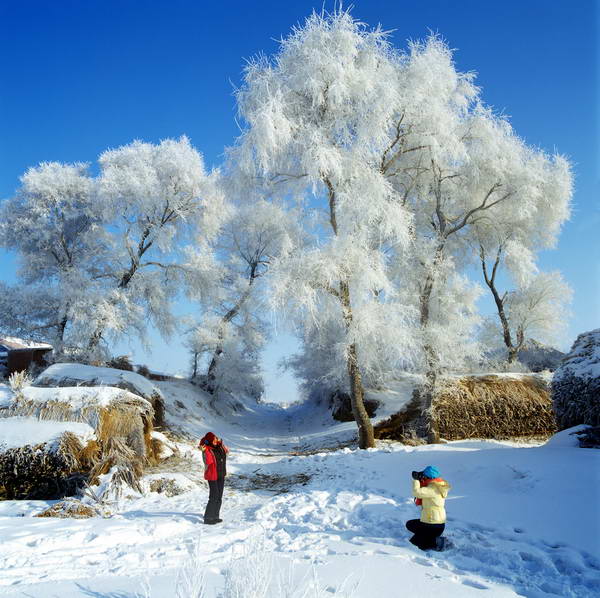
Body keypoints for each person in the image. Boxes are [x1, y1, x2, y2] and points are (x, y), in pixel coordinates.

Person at [406, 465, 451, 551]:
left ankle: (436, 542)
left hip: (432, 526)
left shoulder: (433, 489)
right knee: (410, 524)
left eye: (424, 476)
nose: (423, 478)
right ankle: (429, 538)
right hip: (433, 524)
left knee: (415, 545)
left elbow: (417, 492)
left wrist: (416, 480)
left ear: (429, 478)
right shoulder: (436, 485)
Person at [198, 431, 229, 525]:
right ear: (210, 440)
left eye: (216, 438)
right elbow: (208, 462)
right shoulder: (207, 450)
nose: (216, 440)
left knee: (219, 496)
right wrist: (204, 451)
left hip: (221, 474)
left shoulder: (219, 447)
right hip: (212, 476)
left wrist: (221, 444)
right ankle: (208, 518)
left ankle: (215, 516)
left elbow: (226, 453)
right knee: (214, 496)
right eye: (214, 439)